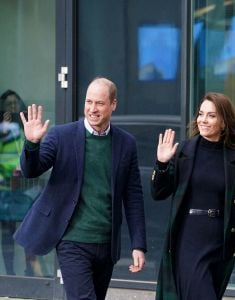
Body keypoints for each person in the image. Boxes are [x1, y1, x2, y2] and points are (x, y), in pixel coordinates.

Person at [13, 77, 147, 300]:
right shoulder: (61, 135)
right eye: (88, 102)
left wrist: (138, 244)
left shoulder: (126, 143)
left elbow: (133, 196)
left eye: (100, 103)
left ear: (113, 104)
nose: (92, 109)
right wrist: (32, 144)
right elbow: (31, 170)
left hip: (106, 243)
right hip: (72, 241)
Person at [151, 92, 235, 300]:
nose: (203, 120)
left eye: (211, 115)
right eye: (201, 114)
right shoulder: (184, 151)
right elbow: (158, 193)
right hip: (188, 239)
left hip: (220, 241)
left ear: (224, 122)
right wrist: (162, 164)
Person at [0, 90, 42, 276]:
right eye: (8, 104)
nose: (12, 107)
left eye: (15, 103)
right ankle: (9, 273)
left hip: (25, 185)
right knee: (7, 234)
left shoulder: (27, 127)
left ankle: (30, 271)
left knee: (28, 230)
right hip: (5, 186)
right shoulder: (3, 128)